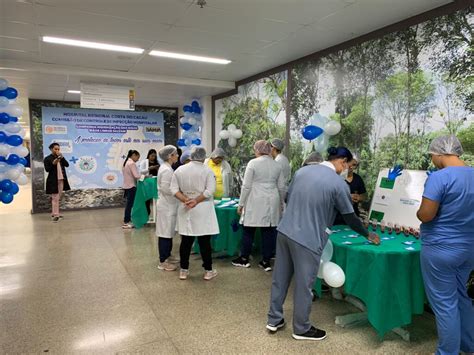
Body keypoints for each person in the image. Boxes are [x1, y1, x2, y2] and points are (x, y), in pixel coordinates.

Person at [266, 146, 380, 341]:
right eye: (348, 165)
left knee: (280, 278)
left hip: (285, 231)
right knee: (304, 284)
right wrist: (367, 234)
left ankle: (274, 319)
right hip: (308, 238)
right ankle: (301, 328)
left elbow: (288, 197)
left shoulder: (302, 172)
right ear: (342, 161)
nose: (347, 169)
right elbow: (350, 217)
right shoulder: (338, 183)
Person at [416, 135, 474, 355]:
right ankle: (469, 347)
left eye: (432, 156)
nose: (432, 161)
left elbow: (426, 215)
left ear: (439, 154)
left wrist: (418, 211)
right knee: (463, 298)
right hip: (469, 248)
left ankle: (447, 352)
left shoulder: (440, 178)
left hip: (441, 249)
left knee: (445, 304)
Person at [232, 140, 286, 272]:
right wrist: (281, 202)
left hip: (255, 198)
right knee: (269, 230)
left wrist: (241, 204)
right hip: (272, 198)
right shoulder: (276, 165)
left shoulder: (253, 163)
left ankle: (244, 259)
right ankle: (266, 261)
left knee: (248, 229)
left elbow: (246, 186)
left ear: (257, 150)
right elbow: (281, 187)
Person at [170, 146, 219, 281]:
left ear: (190, 156)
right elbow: (210, 191)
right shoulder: (207, 171)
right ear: (203, 157)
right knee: (204, 242)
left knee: (186, 241)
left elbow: (173, 189)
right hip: (202, 208)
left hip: (185, 208)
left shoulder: (179, 170)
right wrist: (196, 201)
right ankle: (208, 271)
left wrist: (186, 199)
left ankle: (184, 271)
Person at [155, 145, 179, 272]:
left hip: (169, 205)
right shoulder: (166, 170)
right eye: (176, 154)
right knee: (165, 233)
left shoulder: (167, 168)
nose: (178, 156)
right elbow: (166, 189)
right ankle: (162, 261)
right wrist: (179, 193)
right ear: (170, 156)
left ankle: (168, 255)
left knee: (168, 232)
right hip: (166, 206)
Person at [333, 155, 367, 225]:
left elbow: (365, 195)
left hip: (353, 217)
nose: (351, 166)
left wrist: (359, 197)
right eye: (349, 163)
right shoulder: (336, 177)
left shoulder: (358, 179)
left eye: (354, 165)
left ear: (356, 166)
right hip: (336, 217)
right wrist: (347, 197)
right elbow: (329, 196)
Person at [43, 142, 71, 223]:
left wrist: (61, 157)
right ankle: (56, 215)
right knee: (55, 198)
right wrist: (54, 163)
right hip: (53, 181)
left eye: (58, 149)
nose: (57, 150)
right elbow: (47, 169)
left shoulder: (60, 157)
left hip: (61, 180)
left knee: (57, 198)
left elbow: (67, 165)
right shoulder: (47, 158)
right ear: (51, 149)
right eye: (55, 149)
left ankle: (55, 213)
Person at [122, 150, 140, 229]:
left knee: (129, 204)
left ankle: (127, 220)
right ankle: (127, 221)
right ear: (133, 155)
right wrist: (145, 176)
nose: (138, 159)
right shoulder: (132, 163)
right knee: (130, 204)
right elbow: (136, 176)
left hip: (126, 186)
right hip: (131, 186)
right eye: (137, 157)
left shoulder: (126, 163)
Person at [139, 149, 160, 216]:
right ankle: (146, 214)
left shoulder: (157, 162)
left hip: (155, 181)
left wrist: (157, 169)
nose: (153, 157)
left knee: (156, 199)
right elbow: (141, 171)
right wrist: (149, 169)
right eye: (152, 156)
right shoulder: (144, 162)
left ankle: (157, 215)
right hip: (147, 182)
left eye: (154, 156)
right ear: (148, 155)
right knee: (146, 200)